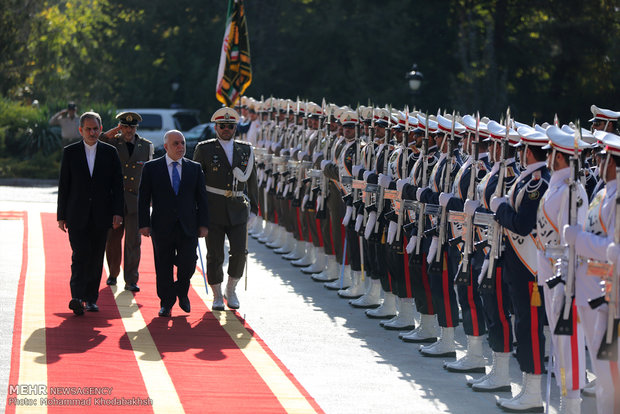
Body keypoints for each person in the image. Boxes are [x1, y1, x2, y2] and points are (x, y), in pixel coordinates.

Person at [57, 111, 124, 315]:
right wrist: (61, 216)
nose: (92, 132)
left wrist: (117, 213)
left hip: (101, 215)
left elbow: (117, 186)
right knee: (80, 255)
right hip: (76, 214)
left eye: (96, 129)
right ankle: (77, 296)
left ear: (100, 129)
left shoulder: (110, 153)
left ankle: (91, 298)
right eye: (88, 129)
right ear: (81, 130)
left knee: (95, 257)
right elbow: (64, 186)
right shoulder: (70, 152)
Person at [193, 107, 259, 311]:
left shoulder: (245, 149)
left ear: (235, 127)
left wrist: (255, 209)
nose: (226, 129)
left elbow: (253, 182)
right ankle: (216, 294)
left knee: (240, 252)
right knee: (215, 254)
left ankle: (231, 290)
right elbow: (196, 182)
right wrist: (196, 209)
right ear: (215, 127)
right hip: (213, 208)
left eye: (230, 126)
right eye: (222, 126)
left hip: (238, 208)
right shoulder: (204, 149)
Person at [138, 130, 209, 317]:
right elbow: (143, 198)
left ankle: (181, 290)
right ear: (166, 146)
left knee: (188, 262)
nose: (181, 147)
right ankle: (166, 303)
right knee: (163, 266)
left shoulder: (194, 168)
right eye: (176, 143)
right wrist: (143, 223)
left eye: (183, 143)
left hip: (188, 225)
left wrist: (204, 224)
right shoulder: (151, 168)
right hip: (162, 226)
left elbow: (202, 199)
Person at [101, 112, 154, 292]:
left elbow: (149, 176)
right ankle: (113, 274)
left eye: (131, 127)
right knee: (113, 240)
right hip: (115, 200)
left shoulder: (146, 146)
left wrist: (151, 200)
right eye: (125, 126)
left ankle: (131, 279)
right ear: (120, 127)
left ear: (136, 128)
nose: (128, 130)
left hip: (136, 201)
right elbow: (97, 139)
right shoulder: (113, 143)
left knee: (133, 242)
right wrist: (114, 131)